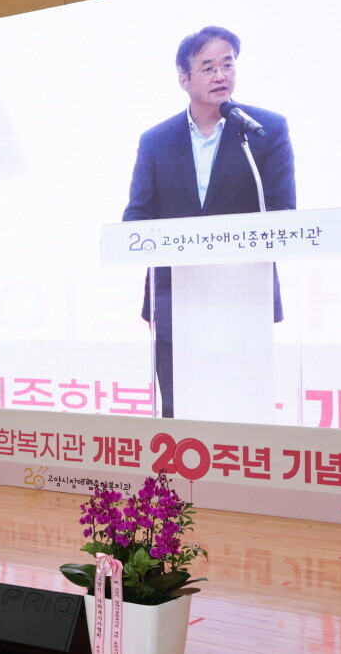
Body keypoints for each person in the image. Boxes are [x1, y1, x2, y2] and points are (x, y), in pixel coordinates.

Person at [122, 26, 295, 418]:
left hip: (242, 301)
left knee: (244, 416)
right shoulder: (156, 140)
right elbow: (136, 217)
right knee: (179, 418)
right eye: (208, 67)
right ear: (184, 79)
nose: (221, 76)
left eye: (227, 65)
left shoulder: (264, 131)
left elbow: (282, 212)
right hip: (175, 302)